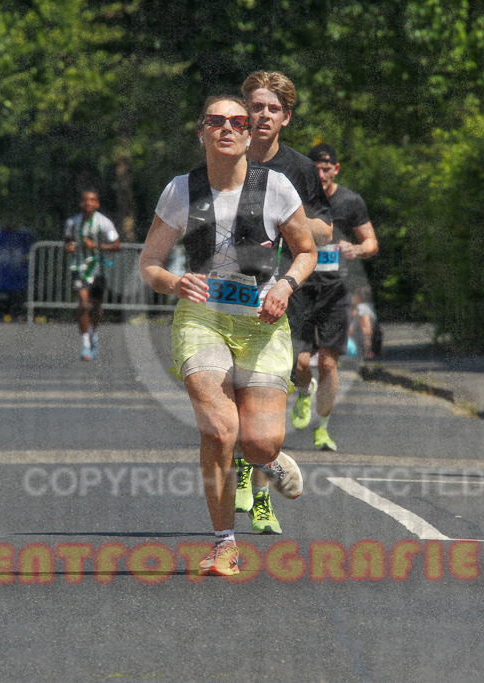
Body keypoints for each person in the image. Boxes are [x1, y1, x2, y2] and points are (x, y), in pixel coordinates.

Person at [138, 95, 317, 576]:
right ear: (202, 133)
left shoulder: (276, 187)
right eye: (216, 121)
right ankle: (224, 543)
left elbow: (305, 251)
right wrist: (174, 282)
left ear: (248, 134)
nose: (228, 128)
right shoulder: (180, 190)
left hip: (262, 323)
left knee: (258, 442)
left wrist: (285, 284)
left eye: (238, 121)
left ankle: (269, 460)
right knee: (220, 431)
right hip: (203, 318)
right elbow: (149, 264)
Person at [233, 70, 334, 535]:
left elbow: (325, 230)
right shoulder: (225, 154)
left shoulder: (298, 170)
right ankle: (245, 466)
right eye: (257, 107)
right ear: (245, 112)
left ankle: (259, 499)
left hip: (282, 291)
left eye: (273, 109)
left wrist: (287, 220)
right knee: (233, 389)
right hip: (228, 289)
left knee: (269, 392)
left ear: (286, 117)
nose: (264, 116)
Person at [289, 143, 378, 450]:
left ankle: (322, 428)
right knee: (300, 361)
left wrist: (356, 249)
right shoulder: (297, 200)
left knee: (328, 362)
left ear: (336, 170)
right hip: (300, 288)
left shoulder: (350, 201)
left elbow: (371, 242)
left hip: (336, 290)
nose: (321, 173)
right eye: (316, 168)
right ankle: (303, 392)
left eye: (327, 168)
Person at [64, 189, 120, 361]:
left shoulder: (104, 223)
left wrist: (96, 246)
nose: (88, 203)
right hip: (79, 268)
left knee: (96, 307)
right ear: (81, 203)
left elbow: (117, 245)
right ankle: (85, 343)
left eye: (92, 200)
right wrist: (69, 247)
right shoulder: (72, 223)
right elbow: (67, 241)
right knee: (83, 303)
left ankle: (93, 333)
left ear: (97, 204)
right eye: (85, 200)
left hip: (98, 269)